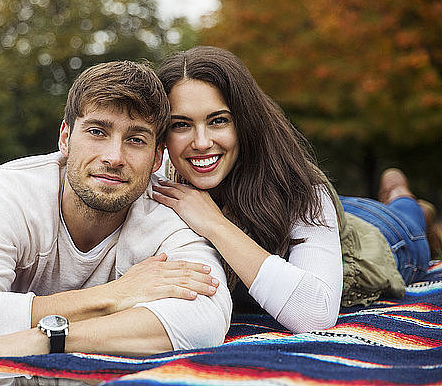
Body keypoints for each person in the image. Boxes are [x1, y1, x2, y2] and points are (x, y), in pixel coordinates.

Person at [0, 60, 232, 359]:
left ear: (156, 158)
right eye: (97, 132)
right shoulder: (9, 192)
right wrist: (115, 295)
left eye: (136, 140)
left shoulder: (170, 208)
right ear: (66, 138)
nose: (114, 157)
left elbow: (205, 318)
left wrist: (48, 339)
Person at [152, 46, 433, 333]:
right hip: (323, 220)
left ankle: (402, 195)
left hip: (381, 237)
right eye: (181, 125)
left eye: (219, 120)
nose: (201, 142)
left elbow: (316, 314)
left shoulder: (301, 188)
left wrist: (213, 223)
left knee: (408, 217)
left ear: (245, 122)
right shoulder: (157, 178)